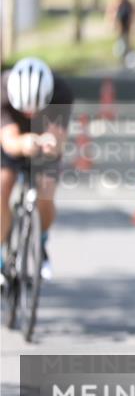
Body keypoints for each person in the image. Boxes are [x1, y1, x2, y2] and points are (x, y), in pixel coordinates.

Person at [1, 57, 74, 283]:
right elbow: (9, 141)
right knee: (2, 187)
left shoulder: (61, 92)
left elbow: (59, 138)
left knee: (46, 190)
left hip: (46, 138)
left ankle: (41, 238)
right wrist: (25, 143)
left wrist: (51, 142)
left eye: (35, 110)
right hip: (15, 140)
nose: (30, 115)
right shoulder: (2, 91)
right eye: (26, 111)